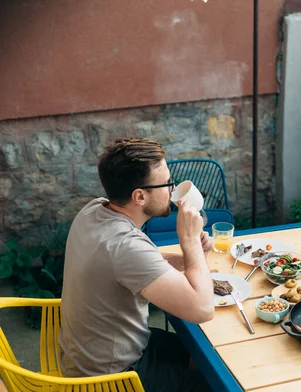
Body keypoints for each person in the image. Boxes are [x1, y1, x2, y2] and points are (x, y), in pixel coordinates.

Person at [58, 138, 215, 391]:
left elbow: (143, 263)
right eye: (167, 184)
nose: (173, 189)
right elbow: (204, 309)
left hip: (90, 353)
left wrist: (190, 259)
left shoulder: (94, 210)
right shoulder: (125, 245)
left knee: (207, 355)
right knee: (217, 383)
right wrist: (189, 242)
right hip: (109, 377)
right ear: (140, 196)